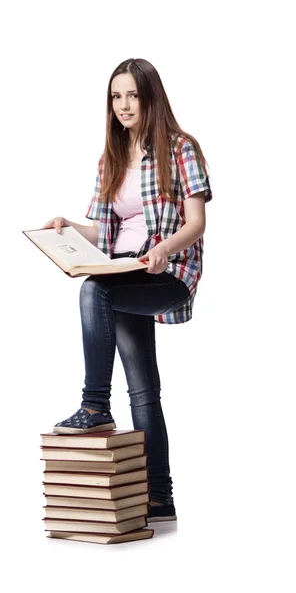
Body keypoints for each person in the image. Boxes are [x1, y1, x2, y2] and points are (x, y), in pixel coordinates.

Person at [40, 58, 212, 522]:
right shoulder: (110, 158)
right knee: (144, 391)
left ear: (150, 96)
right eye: (116, 96)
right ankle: (161, 497)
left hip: (168, 272)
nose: (123, 105)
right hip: (125, 272)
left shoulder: (181, 148)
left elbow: (196, 223)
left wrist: (163, 250)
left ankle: (94, 403)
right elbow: (104, 234)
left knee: (93, 292)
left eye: (132, 95)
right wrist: (67, 227)